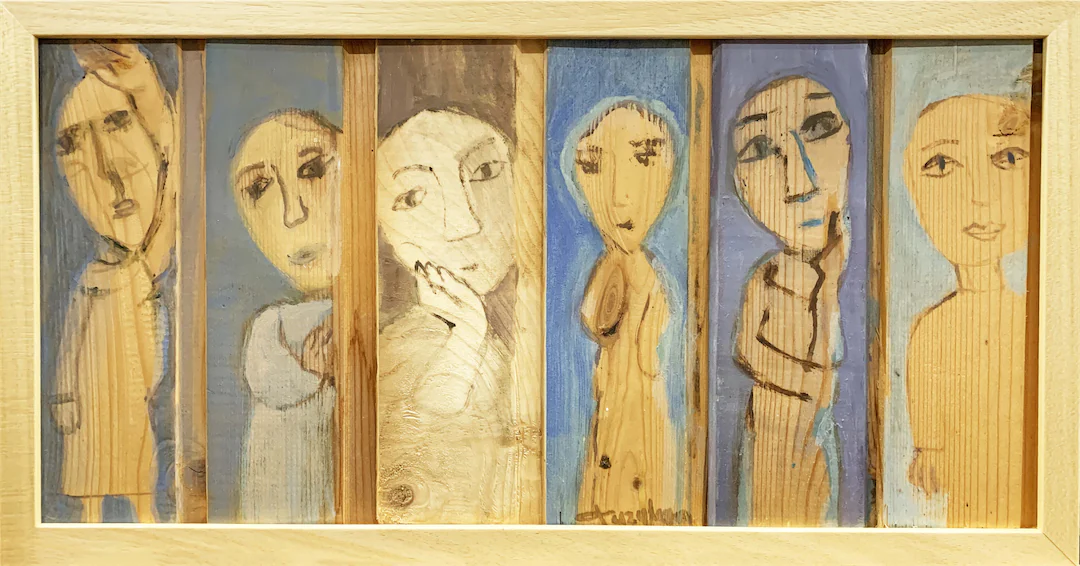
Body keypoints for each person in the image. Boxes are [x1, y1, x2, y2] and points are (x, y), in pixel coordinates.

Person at [49, 41, 177, 523]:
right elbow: (71, 340)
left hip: (130, 399)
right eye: (72, 147)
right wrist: (64, 394)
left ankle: (145, 519)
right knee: (93, 469)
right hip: (95, 399)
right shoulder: (96, 275)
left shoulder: (166, 266)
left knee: (135, 464)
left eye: (118, 122)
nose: (107, 170)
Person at [375, 108, 517, 523]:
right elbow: (416, 449)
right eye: (413, 198)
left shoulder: (534, 324)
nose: (464, 224)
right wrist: (466, 336)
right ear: (385, 231)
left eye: (485, 172)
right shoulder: (398, 349)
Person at [903, 94, 1030, 527]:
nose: (979, 196)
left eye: (1007, 158)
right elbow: (925, 389)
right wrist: (930, 446)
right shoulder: (932, 326)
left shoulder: (1031, 321)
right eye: (941, 165)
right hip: (964, 478)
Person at [730, 75, 850, 526]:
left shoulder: (835, 277)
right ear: (741, 186)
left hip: (815, 428)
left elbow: (830, 353)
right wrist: (794, 379)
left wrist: (831, 280)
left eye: (818, 128)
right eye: (760, 148)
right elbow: (747, 349)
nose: (800, 181)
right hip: (772, 424)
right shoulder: (766, 277)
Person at [567, 99, 686, 525]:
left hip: (638, 393)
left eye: (644, 160)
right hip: (613, 391)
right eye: (597, 166)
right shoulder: (612, 264)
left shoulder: (644, 273)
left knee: (634, 479)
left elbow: (635, 338)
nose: (620, 199)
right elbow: (595, 320)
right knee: (605, 462)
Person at [230, 109, 341, 523]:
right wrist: (310, 372)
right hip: (283, 487)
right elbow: (266, 378)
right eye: (259, 188)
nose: (292, 213)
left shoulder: (381, 313)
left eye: (312, 170)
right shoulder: (272, 323)